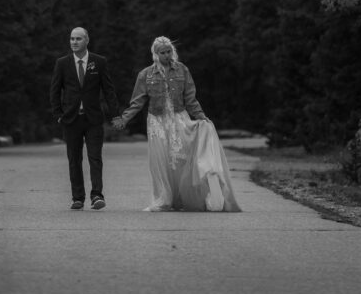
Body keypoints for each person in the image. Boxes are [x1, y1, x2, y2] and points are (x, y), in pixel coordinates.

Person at [113, 36, 240, 212]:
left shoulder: (182, 70)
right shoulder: (145, 74)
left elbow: (190, 97)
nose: (166, 55)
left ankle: (181, 199)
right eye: (162, 52)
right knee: (160, 161)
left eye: (169, 51)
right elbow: (137, 101)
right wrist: (125, 118)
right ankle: (163, 199)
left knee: (181, 159)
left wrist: (201, 116)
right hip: (157, 121)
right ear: (155, 54)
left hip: (179, 117)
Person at [49, 26, 121, 210]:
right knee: (74, 159)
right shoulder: (62, 63)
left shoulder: (99, 62)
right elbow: (55, 90)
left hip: (93, 119)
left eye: (78, 39)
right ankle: (77, 198)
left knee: (94, 157)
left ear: (87, 40)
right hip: (71, 119)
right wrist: (58, 114)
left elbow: (109, 90)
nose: (74, 42)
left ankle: (97, 195)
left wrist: (116, 115)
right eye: (72, 39)